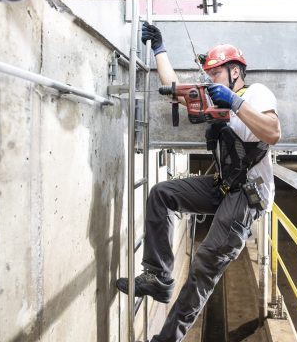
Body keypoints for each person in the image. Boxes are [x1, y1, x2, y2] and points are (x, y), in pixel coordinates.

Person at [116, 22, 281, 342]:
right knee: (162, 194)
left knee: (204, 265)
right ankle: (159, 277)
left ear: (235, 71)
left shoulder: (256, 93)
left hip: (246, 197)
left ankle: (167, 339)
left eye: (216, 74)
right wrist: (159, 48)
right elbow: (174, 88)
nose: (210, 80)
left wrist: (234, 103)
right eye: (209, 75)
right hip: (223, 186)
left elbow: (272, 132)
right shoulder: (216, 101)